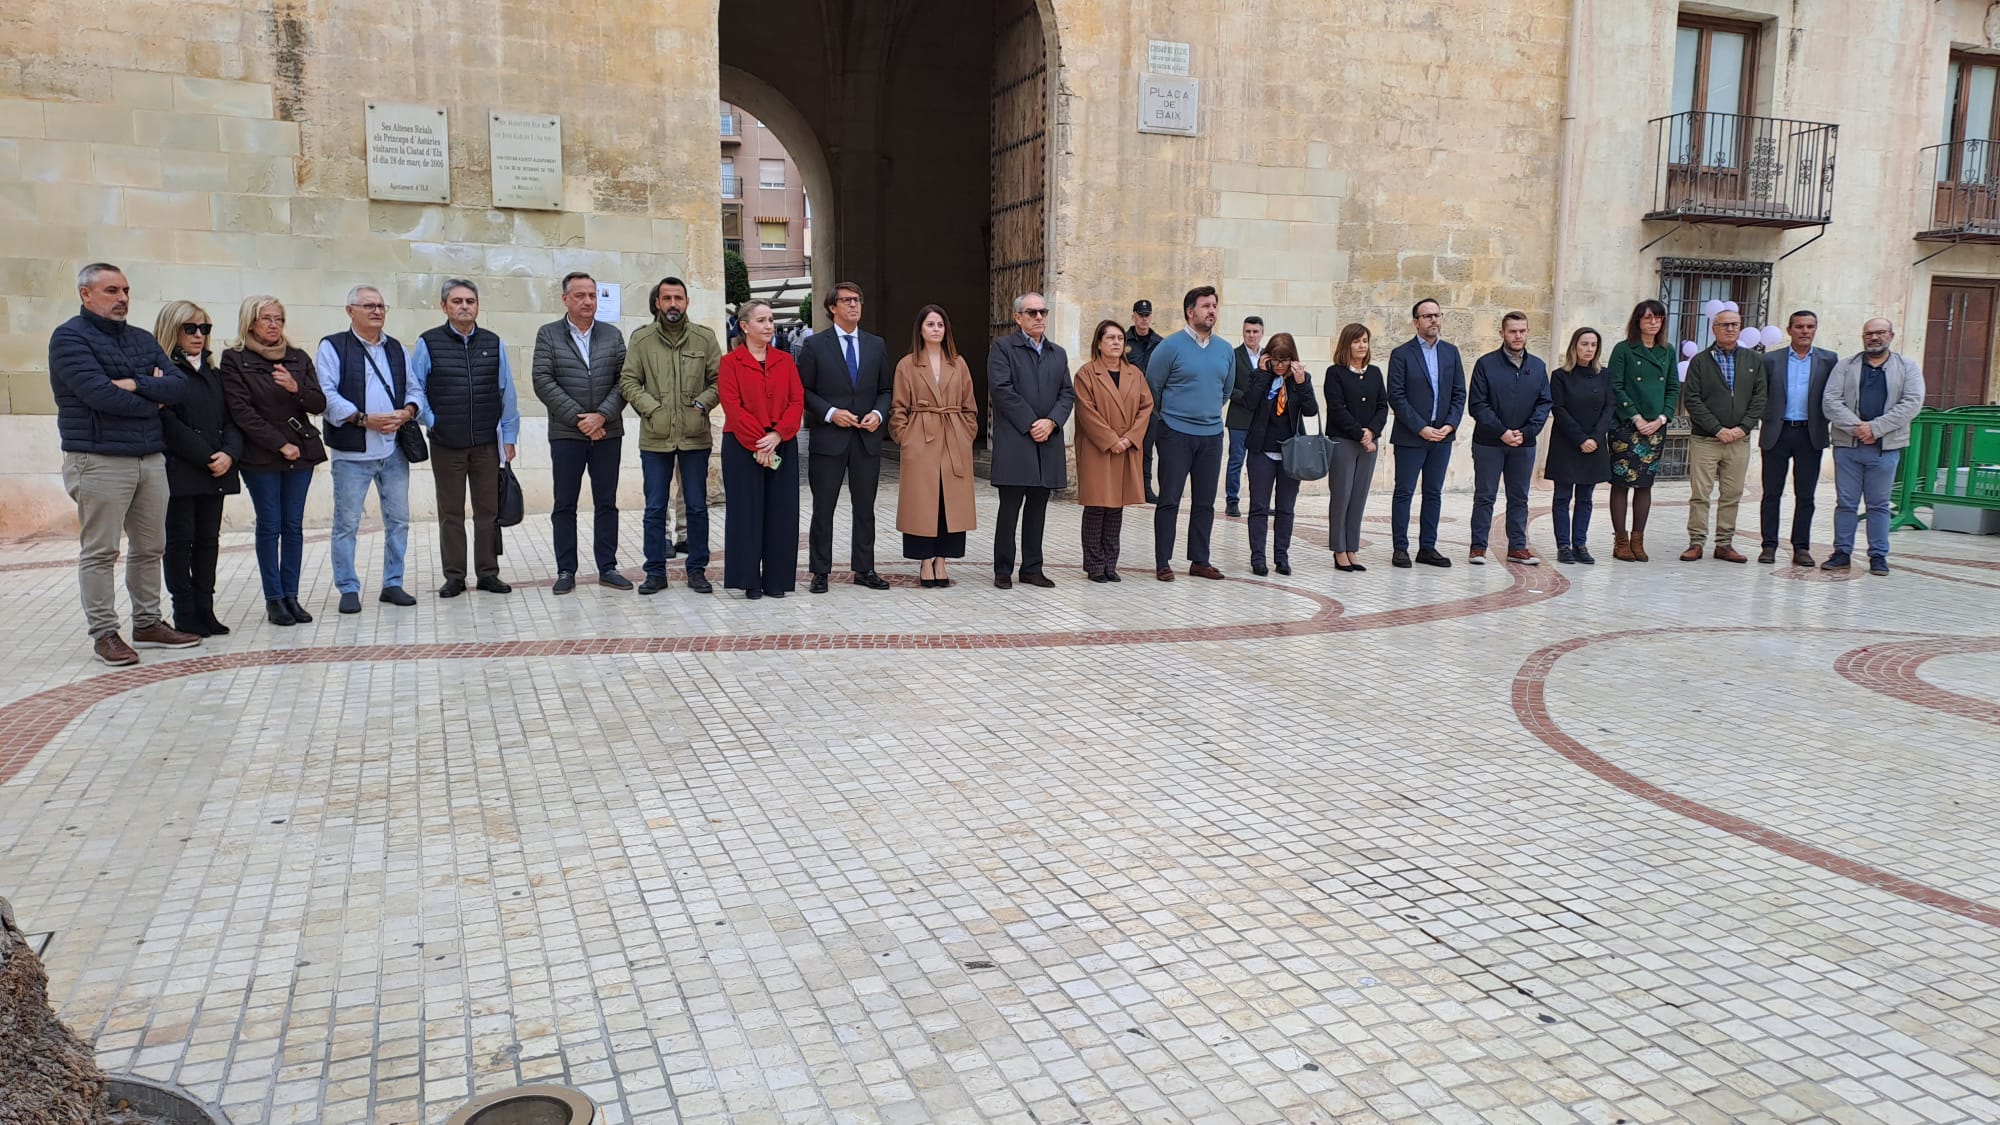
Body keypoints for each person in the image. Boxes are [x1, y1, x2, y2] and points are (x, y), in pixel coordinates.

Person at [49, 263, 199, 665]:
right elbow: (99, 396)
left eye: (126, 290)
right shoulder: (68, 339)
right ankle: (104, 633)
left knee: (152, 546)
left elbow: (179, 386)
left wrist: (135, 383)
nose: (122, 299)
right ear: (86, 294)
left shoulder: (142, 338)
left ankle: (148, 622)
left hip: (149, 457)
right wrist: (153, 397)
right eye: (112, 290)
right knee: (101, 550)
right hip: (97, 459)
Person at [408, 279, 520, 598]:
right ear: (444, 306)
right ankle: (455, 575)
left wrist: (509, 436)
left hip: (485, 442)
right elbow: (416, 388)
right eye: (457, 301)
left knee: (488, 511)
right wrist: (432, 420)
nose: (464, 306)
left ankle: (488, 573)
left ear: (477, 306)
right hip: (446, 444)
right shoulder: (428, 342)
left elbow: (506, 392)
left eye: (470, 301)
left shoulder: (493, 342)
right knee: (451, 512)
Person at [220, 296, 325, 626]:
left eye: (278, 318)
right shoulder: (234, 359)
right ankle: (274, 599)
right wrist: (280, 444)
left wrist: (296, 389)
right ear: (250, 322)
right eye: (265, 318)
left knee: (293, 525)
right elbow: (241, 412)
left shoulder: (297, 358)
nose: (273, 324)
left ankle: (292, 596)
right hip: (261, 455)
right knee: (270, 524)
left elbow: (319, 403)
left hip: (301, 452)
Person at [316, 285, 419, 615]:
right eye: (368, 306)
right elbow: (326, 395)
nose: (377, 311)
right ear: (350, 311)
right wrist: (363, 419)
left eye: (381, 306)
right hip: (352, 453)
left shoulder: (397, 349)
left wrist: (408, 412)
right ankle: (348, 587)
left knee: (399, 520)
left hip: (393, 450)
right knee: (346, 524)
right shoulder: (333, 346)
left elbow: (414, 388)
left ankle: (393, 583)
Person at [618, 276, 721, 594]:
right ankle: (655, 572)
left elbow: (720, 381)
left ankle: (697, 570)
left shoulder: (704, 339)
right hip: (655, 438)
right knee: (654, 508)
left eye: (679, 298)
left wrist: (703, 404)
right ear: (657, 303)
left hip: (694, 436)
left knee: (697, 507)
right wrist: (651, 409)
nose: (673, 304)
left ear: (687, 302)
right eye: (667, 299)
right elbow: (628, 381)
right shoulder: (642, 339)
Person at [532, 271, 631, 595]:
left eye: (592, 295)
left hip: (608, 433)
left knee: (607, 502)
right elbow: (543, 381)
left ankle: (608, 567)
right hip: (567, 434)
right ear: (565, 299)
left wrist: (601, 416)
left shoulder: (612, 336)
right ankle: (566, 570)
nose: (588, 301)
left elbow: (624, 380)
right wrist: (581, 420)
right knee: (565, 504)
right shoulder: (548, 335)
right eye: (580, 295)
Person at [797, 281, 893, 593]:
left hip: (866, 439)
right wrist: (830, 413)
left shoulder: (875, 344)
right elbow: (804, 391)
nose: (854, 305)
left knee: (865, 507)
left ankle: (864, 568)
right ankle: (820, 571)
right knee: (824, 508)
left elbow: (885, 390)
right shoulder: (815, 346)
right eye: (847, 300)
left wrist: (878, 415)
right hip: (829, 439)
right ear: (832, 308)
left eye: (857, 300)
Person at [154, 300, 241, 636]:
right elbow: (168, 423)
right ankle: (185, 612)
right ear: (172, 330)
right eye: (190, 328)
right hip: (182, 470)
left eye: (204, 328)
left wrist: (229, 454)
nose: (198, 335)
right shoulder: (163, 373)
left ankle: (206, 608)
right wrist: (208, 456)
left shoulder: (214, 375)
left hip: (216, 469)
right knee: (180, 542)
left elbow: (232, 420)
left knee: (208, 541)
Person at [1822, 318, 1926, 576]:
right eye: (1869, 333)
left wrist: (1876, 428)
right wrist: (1858, 427)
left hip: (1885, 448)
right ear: (1863, 336)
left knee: (1878, 505)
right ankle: (1841, 552)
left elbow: (1912, 403)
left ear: (1891, 335)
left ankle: (1878, 556)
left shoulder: (1908, 367)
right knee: (1846, 503)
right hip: (1848, 445)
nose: (1874, 337)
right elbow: (1830, 401)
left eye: (1880, 332)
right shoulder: (1846, 366)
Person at [1145, 285, 1233, 582]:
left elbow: (1226, 390)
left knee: (1205, 501)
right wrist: (1175, 415)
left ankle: (1200, 560)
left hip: (1211, 435)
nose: (1211, 311)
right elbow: (1152, 387)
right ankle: (1162, 561)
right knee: (1169, 498)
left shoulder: (1224, 350)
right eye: (1205, 306)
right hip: (1175, 433)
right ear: (1190, 311)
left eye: (1214, 306)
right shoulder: (1170, 347)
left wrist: (1205, 413)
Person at [987, 292, 1074, 589]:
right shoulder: (1003, 348)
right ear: (1018, 317)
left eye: (1043, 312)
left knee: (1038, 508)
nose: (1039, 317)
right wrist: (1031, 422)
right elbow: (1001, 389)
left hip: (1046, 441)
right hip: (1016, 440)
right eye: (1032, 312)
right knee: (1009, 508)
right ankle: (1003, 568)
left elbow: (1067, 393)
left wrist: (1051, 422)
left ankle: (1032, 568)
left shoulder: (1057, 353)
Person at [717, 299, 803, 598]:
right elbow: (733, 406)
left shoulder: (785, 360)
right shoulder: (730, 363)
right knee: (746, 513)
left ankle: (777, 580)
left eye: (771, 320)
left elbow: (796, 401)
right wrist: (760, 442)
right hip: (743, 446)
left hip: (781, 443)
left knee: (781, 513)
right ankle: (749, 579)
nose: (769, 326)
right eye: (762, 320)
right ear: (744, 326)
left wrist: (778, 434)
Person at [889, 305, 979, 588]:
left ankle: (943, 559)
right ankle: (924, 560)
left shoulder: (959, 363)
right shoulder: (906, 364)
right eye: (930, 324)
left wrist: (966, 433)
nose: (936, 329)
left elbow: (970, 406)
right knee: (922, 502)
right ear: (920, 329)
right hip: (920, 438)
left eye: (940, 324)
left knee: (948, 501)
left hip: (953, 436)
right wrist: (905, 438)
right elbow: (898, 407)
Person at [1679, 306, 1766, 563]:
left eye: (1735, 324)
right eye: (1724, 324)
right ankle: (1696, 542)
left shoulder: (1753, 361)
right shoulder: (1700, 361)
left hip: (1740, 439)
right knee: (1700, 493)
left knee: (1732, 493)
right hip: (1706, 439)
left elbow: (1760, 398)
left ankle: (1724, 544)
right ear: (1713, 329)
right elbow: (1692, 399)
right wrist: (1717, 428)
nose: (1730, 329)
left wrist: (1743, 427)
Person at [1385, 297, 1466, 568]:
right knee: (1404, 491)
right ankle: (1400, 548)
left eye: (1437, 315)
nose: (1434, 320)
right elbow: (1396, 396)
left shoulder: (1451, 353)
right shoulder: (1402, 354)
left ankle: (1428, 547)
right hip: (1411, 436)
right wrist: (1421, 427)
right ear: (1416, 321)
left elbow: (1458, 393)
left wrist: (1450, 425)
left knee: (1434, 492)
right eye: (1427, 315)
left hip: (1442, 436)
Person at [1070, 319, 1153, 582]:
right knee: (1097, 506)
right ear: (1099, 343)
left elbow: (1146, 407)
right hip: (1099, 448)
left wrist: (1129, 438)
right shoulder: (1086, 373)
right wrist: (1110, 439)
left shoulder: (1135, 374)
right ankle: (1094, 565)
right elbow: (1086, 412)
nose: (1117, 343)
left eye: (1120, 338)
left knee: (1116, 507)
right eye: (1111, 338)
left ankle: (1110, 563)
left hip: (1126, 448)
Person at [1467, 312, 1552, 565]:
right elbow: (1478, 405)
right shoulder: (1486, 364)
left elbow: (1544, 403)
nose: (1518, 336)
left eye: (1522, 331)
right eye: (1513, 331)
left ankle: (1517, 547)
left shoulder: (1537, 367)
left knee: (1519, 496)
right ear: (1502, 333)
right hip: (1489, 443)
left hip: (1523, 444)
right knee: (1485, 495)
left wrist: (1526, 432)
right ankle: (1478, 547)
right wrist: (1501, 431)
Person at [1758, 310, 1837, 567]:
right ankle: (1768, 545)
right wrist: (1766, 416)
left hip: (1809, 433)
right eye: (1800, 326)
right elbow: (1759, 395)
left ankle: (1801, 547)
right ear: (1789, 329)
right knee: (1772, 493)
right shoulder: (1771, 360)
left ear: (1815, 329)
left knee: (1806, 495)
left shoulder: (1829, 360)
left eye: (1810, 326)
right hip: (1777, 432)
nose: (1805, 331)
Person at [1234, 333, 1317, 577]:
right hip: (1262, 449)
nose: (1280, 366)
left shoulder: (1300, 379)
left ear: (1292, 359)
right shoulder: (1260, 376)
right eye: (1276, 360)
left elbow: (1311, 411)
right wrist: (1261, 375)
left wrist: (1302, 383)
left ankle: (1282, 556)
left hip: (1291, 452)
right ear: (1268, 358)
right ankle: (1258, 558)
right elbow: (1249, 403)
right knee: (1259, 506)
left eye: (1285, 360)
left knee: (1286, 507)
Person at [1606, 300, 1677, 562]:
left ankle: (1638, 539)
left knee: (1645, 484)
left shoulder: (1667, 351)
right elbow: (1615, 385)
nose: (1653, 322)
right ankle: (1621, 540)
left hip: (1655, 427)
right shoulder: (1624, 349)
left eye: (1658, 318)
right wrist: (1635, 416)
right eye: (1648, 317)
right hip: (1627, 425)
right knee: (1622, 483)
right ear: (1638, 320)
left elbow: (1673, 388)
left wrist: (1661, 418)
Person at [1544, 327, 1615, 565]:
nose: (1589, 349)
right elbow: (1559, 409)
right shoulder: (1560, 376)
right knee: (1562, 497)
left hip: (1594, 444)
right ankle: (1563, 545)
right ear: (1575, 346)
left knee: (1585, 497)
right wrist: (1580, 439)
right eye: (1584, 344)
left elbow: (1609, 408)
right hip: (1567, 443)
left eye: (1593, 345)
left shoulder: (1605, 375)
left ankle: (1580, 544)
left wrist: (1595, 438)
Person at [1322, 323, 1387, 573]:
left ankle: (1352, 548)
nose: (1362, 346)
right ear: (1346, 344)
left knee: (1358, 497)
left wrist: (1372, 431)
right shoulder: (1335, 373)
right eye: (1357, 341)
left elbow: (1383, 406)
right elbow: (1337, 409)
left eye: (1365, 341)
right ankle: (1339, 550)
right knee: (1342, 496)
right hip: (1344, 442)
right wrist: (1361, 434)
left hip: (1369, 442)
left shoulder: (1375, 373)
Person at [1224, 316, 1263, 517]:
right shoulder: (1233, 355)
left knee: (1260, 463)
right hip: (1239, 417)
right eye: (1248, 331)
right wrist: (1247, 398)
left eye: (1255, 331)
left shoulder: (1269, 356)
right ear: (1243, 332)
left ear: (1262, 333)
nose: (1251, 335)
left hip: (1262, 419)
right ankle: (1232, 500)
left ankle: (1260, 501)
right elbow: (1228, 386)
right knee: (1236, 459)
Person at [1126, 299, 1164, 503]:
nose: (1144, 319)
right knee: (1128, 447)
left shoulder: (1160, 343)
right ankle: (1127, 487)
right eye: (1140, 315)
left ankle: (1146, 488)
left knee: (1147, 449)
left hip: (1152, 405)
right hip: (1127, 404)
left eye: (1147, 315)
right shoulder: (1123, 342)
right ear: (1133, 316)